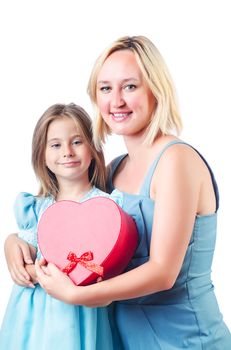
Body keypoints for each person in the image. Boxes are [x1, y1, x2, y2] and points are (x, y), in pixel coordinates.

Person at [4, 36, 231, 349]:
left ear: (156, 89)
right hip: (120, 339)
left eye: (130, 86)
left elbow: (163, 272)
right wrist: (15, 241)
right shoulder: (113, 171)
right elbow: (67, 230)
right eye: (105, 88)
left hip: (184, 338)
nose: (117, 101)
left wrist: (78, 295)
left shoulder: (176, 160)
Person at [0, 102, 124, 350]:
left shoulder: (108, 206)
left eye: (77, 142)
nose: (67, 151)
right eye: (55, 145)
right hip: (32, 319)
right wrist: (10, 242)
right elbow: (24, 267)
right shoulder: (35, 209)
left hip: (84, 315)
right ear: (42, 155)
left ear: (93, 148)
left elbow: (110, 272)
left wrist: (49, 274)